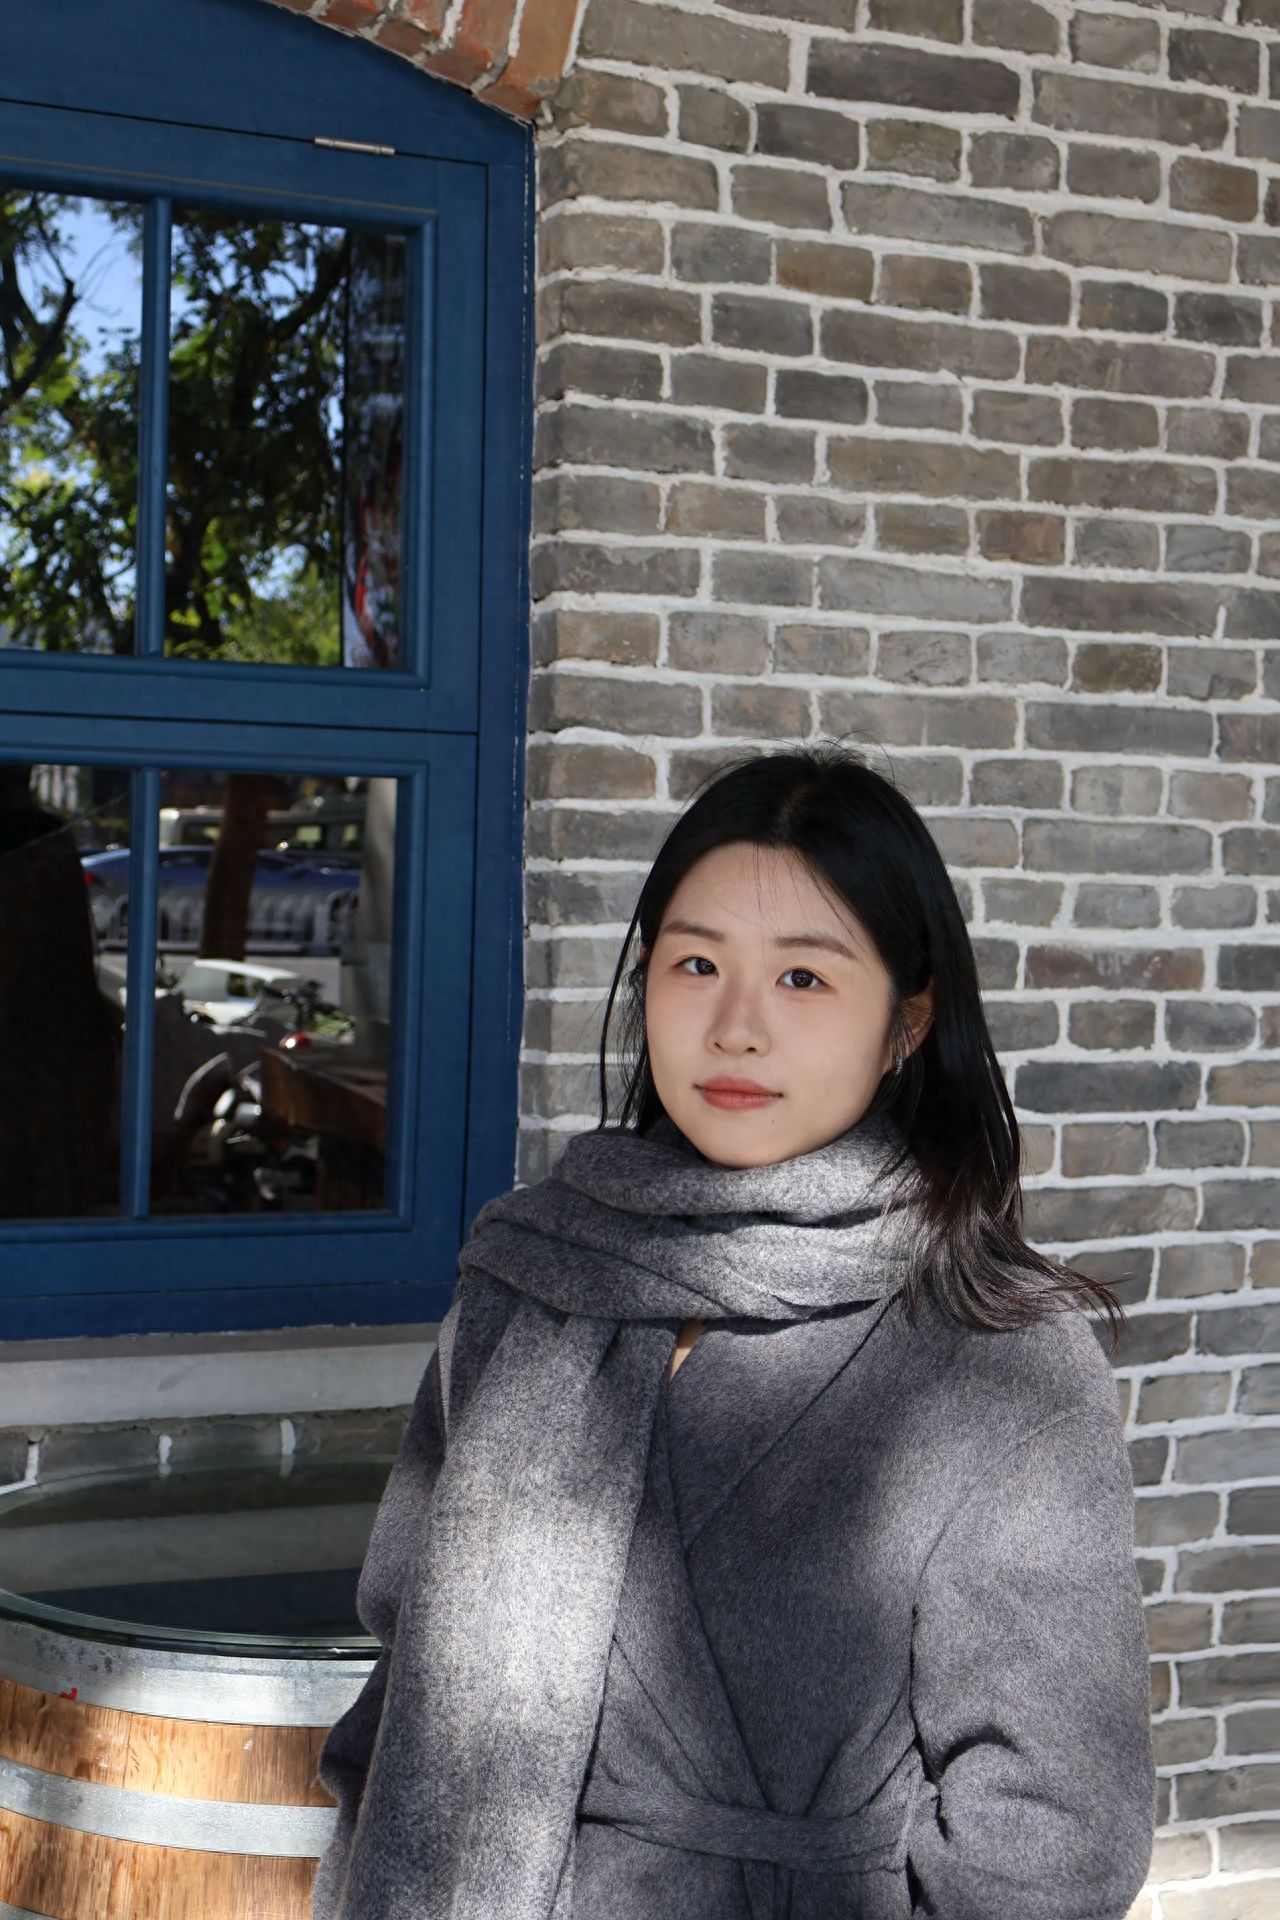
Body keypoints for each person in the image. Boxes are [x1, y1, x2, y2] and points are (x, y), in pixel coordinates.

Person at [312, 742, 1156, 1920]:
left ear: (907, 1021)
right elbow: (402, 1676)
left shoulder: (993, 1355)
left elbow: (1053, 1835)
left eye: (802, 978)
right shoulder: (529, 1277)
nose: (735, 1027)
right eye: (695, 964)